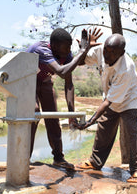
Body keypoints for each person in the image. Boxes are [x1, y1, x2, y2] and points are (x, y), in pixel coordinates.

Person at [76, 29, 137, 183]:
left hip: (129, 99)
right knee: (104, 128)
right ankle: (95, 162)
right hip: (110, 96)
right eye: (106, 50)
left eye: (112, 52)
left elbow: (109, 102)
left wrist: (90, 121)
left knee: (131, 131)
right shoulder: (101, 51)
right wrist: (85, 47)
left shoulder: (126, 68)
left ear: (122, 52)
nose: (107, 55)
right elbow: (81, 61)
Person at [26, 28, 99, 170]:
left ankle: (58, 158)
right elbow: (61, 72)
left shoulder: (66, 55)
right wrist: (82, 51)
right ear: (54, 46)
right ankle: (24, 159)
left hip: (45, 82)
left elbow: (69, 84)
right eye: (66, 47)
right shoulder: (41, 49)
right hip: (27, 82)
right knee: (33, 113)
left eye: (70, 47)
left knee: (53, 119)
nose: (68, 50)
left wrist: (71, 114)